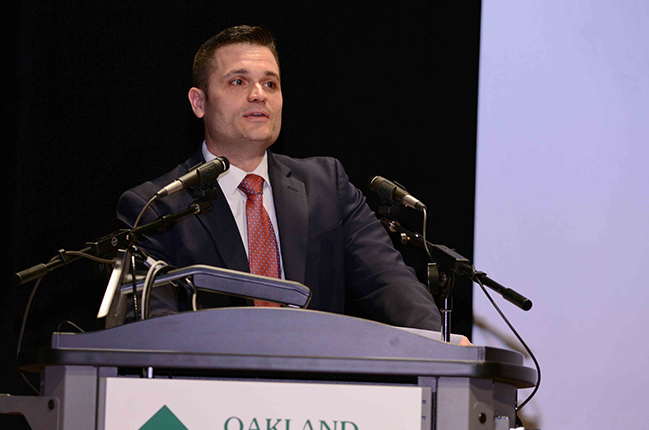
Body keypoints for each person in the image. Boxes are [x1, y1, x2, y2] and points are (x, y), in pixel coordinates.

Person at [116, 25, 442, 331]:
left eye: (270, 84)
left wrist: (444, 347)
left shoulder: (327, 185)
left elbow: (387, 280)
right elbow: (152, 331)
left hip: (317, 386)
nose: (259, 94)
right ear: (199, 102)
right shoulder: (157, 207)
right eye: (238, 82)